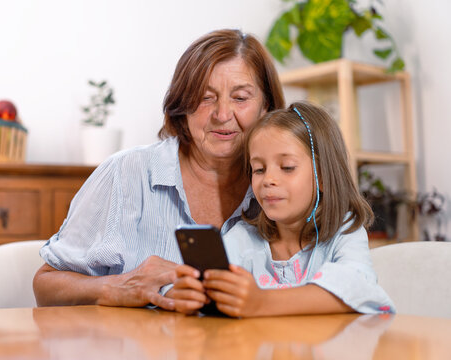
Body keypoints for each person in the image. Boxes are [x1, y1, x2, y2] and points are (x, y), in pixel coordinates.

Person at [33, 29, 285, 310]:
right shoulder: (124, 173)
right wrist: (118, 287)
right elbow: (46, 285)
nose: (223, 115)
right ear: (183, 105)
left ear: (266, 108)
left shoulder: (282, 187)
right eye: (205, 97)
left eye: (240, 98)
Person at [172, 101, 396, 317]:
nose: (268, 179)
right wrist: (192, 295)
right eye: (259, 169)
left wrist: (262, 302)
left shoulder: (344, 231)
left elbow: (359, 285)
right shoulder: (242, 239)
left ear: (324, 176)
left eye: (287, 167)